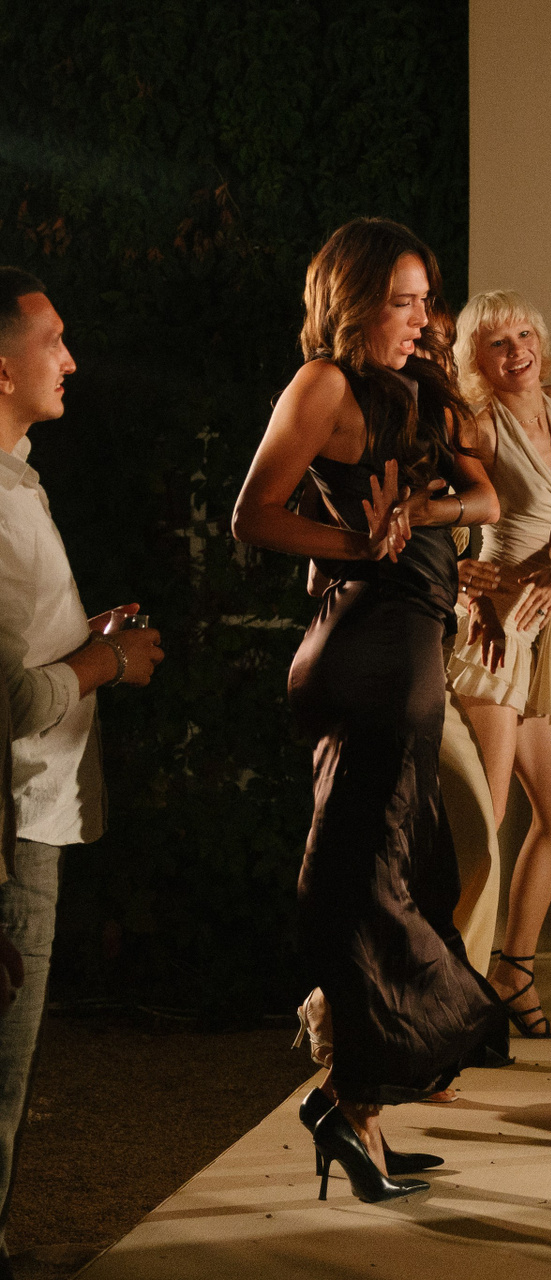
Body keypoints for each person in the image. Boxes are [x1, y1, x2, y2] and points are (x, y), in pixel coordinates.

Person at [231, 218, 506, 1204]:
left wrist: (423, 514)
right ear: (353, 301)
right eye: (402, 301)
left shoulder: (418, 386)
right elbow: (253, 514)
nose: (421, 318)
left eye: (426, 300)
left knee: (408, 872)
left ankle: (359, 1113)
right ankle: (351, 1105)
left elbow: (487, 498)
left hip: (412, 648)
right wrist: (360, 544)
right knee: (363, 878)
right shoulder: (324, 384)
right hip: (367, 652)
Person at [0, 268, 164, 1270]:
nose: (71, 358)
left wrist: (81, 635)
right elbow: (7, 703)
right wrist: (108, 663)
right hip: (11, 831)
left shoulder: (18, 478)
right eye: (52, 339)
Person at [446, 289, 551, 1039]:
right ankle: (447, 992)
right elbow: (442, 514)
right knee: (486, 819)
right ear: (475, 359)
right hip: (496, 628)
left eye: (525, 334)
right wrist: (461, 576)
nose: (517, 351)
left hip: (543, 626)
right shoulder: (475, 424)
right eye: (498, 342)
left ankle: (512, 974)